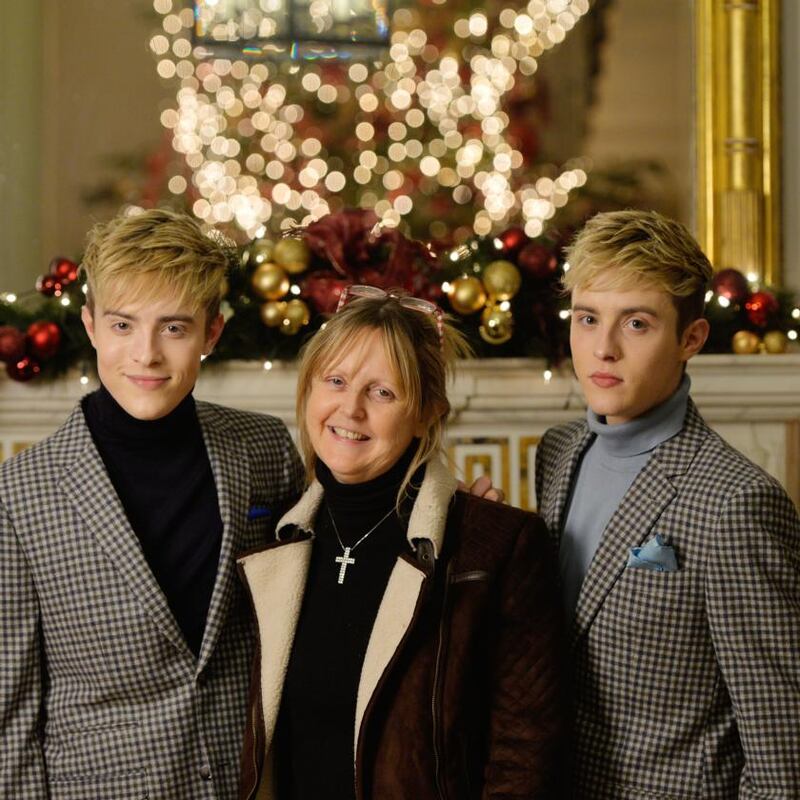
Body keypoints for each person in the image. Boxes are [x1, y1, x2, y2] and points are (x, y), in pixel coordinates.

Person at [0, 209, 305, 799]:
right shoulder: (18, 495)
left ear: (212, 333)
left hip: (250, 782)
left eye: (173, 328)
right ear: (89, 326)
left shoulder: (265, 450)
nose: (145, 354)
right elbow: (8, 714)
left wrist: (453, 509)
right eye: (122, 326)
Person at [237, 285, 565, 800]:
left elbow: (524, 753)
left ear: (427, 412)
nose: (350, 409)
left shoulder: (495, 547)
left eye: (382, 392)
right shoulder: (276, 540)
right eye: (336, 381)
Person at [535, 210, 800, 799]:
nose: (602, 349)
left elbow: (782, 753)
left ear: (690, 338)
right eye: (587, 319)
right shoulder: (558, 453)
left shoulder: (736, 502)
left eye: (636, 323)